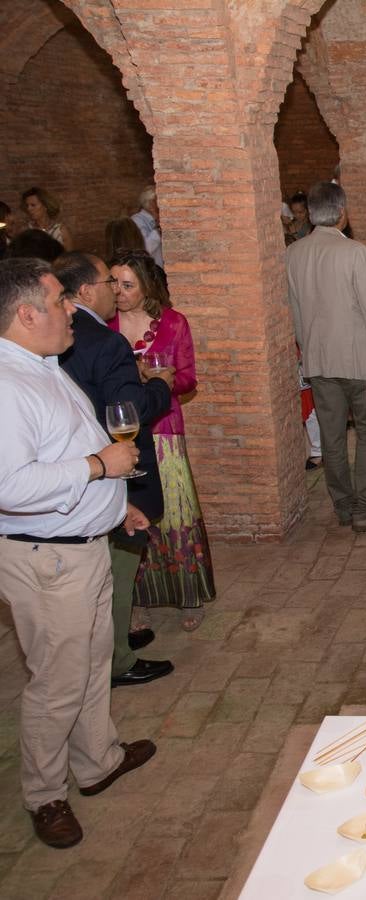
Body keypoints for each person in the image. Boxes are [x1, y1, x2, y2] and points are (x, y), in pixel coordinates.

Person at [0, 258, 155, 849]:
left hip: (81, 546)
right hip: (48, 560)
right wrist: (99, 466)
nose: (72, 310)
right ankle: (45, 795)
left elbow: (63, 448)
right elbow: (10, 485)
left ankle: (97, 760)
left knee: (91, 661)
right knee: (56, 682)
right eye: (60, 302)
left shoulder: (42, 364)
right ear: (26, 313)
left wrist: (116, 506)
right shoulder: (7, 386)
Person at [54, 252, 175, 686]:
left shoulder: (56, 339)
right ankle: (118, 659)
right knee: (119, 565)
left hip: (77, 469)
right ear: (87, 290)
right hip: (114, 467)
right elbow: (129, 411)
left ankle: (113, 635)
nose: (114, 291)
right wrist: (158, 385)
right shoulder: (105, 342)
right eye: (109, 281)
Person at [108, 248, 216, 630]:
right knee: (133, 516)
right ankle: (138, 599)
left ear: (146, 285)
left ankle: (189, 595)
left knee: (176, 513)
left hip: (164, 430)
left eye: (127, 285)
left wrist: (158, 379)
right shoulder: (105, 327)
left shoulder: (173, 323)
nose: (118, 292)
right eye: (113, 283)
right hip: (122, 437)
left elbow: (188, 379)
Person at [285, 181, 366, 531]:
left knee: (331, 437)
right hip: (360, 359)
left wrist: (309, 347)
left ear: (311, 213)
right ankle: (364, 508)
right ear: (342, 213)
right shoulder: (355, 252)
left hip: (319, 358)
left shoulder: (294, 253)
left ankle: (342, 506)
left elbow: (296, 312)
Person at [130, 186, 163, 267]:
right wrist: (158, 228)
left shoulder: (156, 219)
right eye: (159, 200)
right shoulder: (137, 220)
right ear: (151, 204)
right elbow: (145, 248)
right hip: (149, 270)